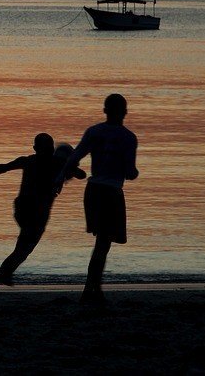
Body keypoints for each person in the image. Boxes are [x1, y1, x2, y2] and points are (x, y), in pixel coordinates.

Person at [0, 133, 85, 309]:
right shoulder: (56, 164)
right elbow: (82, 174)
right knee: (24, 249)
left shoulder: (29, 160)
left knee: (22, 250)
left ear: (35, 148)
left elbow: (2, 168)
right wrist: (70, 163)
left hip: (22, 210)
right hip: (36, 212)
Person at [55, 93, 138, 307]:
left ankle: (94, 290)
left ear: (104, 111)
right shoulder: (128, 138)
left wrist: (59, 178)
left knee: (101, 242)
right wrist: (133, 171)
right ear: (125, 112)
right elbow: (130, 172)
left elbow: (75, 157)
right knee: (103, 243)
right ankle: (89, 292)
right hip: (111, 191)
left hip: (92, 191)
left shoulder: (94, 132)